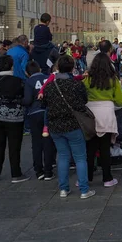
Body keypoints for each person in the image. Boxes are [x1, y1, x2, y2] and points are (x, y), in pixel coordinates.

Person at [43, 55, 95, 198]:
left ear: (57, 67)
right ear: (73, 68)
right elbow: (84, 101)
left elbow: (44, 104)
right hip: (73, 124)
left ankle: (63, 189)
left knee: (63, 156)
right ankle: (84, 190)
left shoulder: (50, 86)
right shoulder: (76, 85)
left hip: (55, 126)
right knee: (80, 157)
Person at [0, 55, 29, 183]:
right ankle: (16, 173)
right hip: (14, 117)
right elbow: (24, 97)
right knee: (14, 146)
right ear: (12, 66)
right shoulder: (19, 81)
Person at [84, 52, 122, 187]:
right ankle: (107, 178)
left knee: (90, 149)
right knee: (105, 149)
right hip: (106, 113)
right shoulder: (113, 80)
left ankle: (87, 177)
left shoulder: (87, 79)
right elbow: (120, 100)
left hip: (90, 114)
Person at [22, 61, 54, 180]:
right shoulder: (47, 78)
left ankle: (38, 170)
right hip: (47, 112)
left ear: (27, 73)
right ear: (39, 69)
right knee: (48, 142)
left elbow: (28, 100)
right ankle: (48, 170)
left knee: (36, 142)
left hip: (34, 113)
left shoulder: (29, 81)